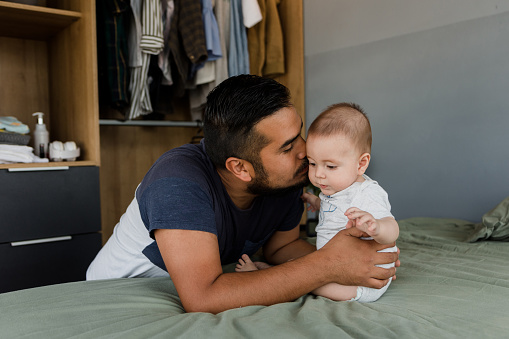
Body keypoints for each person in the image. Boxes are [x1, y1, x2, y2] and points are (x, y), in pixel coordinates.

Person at [87, 75, 398, 313]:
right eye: (288, 147)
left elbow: (282, 247)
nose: (305, 151)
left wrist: (357, 261)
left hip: (205, 278)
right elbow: (203, 297)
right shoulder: (177, 183)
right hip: (120, 292)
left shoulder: (288, 177)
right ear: (240, 168)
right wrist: (328, 265)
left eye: (299, 133)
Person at [237, 102, 398, 302]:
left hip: (363, 281)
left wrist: (377, 227)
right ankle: (274, 273)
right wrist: (317, 202)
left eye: (330, 166)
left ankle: (263, 277)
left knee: (314, 283)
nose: (318, 174)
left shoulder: (367, 193)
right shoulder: (337, 189)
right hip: (333, 264)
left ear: (361, 164)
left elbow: (392, 228)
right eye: (313, 163)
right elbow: (338, 211)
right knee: (301, 266)